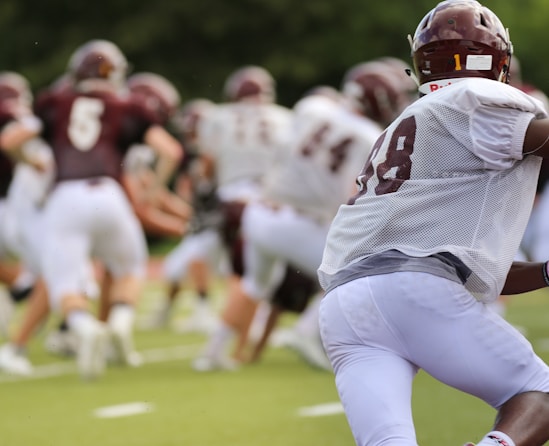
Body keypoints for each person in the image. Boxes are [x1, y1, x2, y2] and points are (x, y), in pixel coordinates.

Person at [317, 1, 549, 445]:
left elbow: (471, 268)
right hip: (414, 288)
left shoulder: (407, 122)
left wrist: (543, 272)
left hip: (345, 304)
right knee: (538, 393)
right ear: (496, 60)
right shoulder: (473, 99)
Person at [3, 39, 184, 380]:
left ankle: (84, 328)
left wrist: (29, 163)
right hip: (104, 192)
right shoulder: (125, 106)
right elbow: (171, 152)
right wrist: (158, 191)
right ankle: (115, 322)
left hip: (60, 198)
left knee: (65, 280)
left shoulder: (54, 102)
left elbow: (11, 141)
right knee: (129, 266)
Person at [193, 72, 383, 371]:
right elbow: (354, 190)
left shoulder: (312, 108)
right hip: (300, 220)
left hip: (261, 210)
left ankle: (213, 352)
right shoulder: (370, 135)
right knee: (354, 273)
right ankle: (307, 331)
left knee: (255, 283)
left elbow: (282, 150)